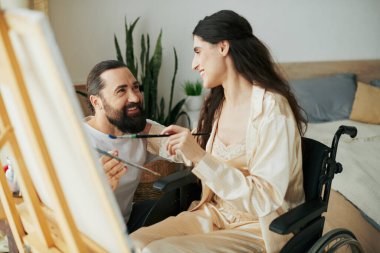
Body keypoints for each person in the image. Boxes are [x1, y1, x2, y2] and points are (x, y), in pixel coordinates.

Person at [130, 10, 307, 253]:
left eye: (198, 51)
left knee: (156, 251)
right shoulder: (218, 104)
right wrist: (141, 127)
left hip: (257, 227)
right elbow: (194, 152)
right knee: (131, 244)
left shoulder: (272, 108)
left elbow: (265, 198)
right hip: (213, 214)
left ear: (223, 47)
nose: (194, 64)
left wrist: (199, 157)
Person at [84, 60, 168, 233]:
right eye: (121, 90)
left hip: (125, 227)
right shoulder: (76, 142)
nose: (135, 97)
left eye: (136, 87)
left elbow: (184, 148)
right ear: (96, 102)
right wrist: (94, 191)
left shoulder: (141, 130)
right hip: (89, 235)